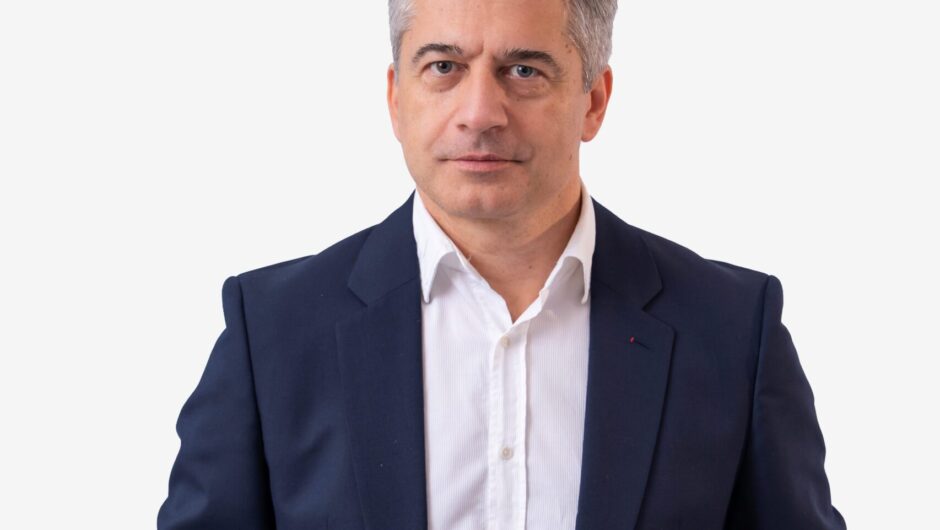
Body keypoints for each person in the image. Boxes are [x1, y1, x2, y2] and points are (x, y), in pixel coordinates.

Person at [158, 0, 846, 528]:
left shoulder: (731, 331)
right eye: (444, 67)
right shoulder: (272, 333)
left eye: (524, 70)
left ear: (594, 101)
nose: (480, 112)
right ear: (396, 97)